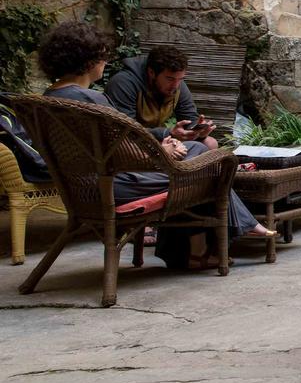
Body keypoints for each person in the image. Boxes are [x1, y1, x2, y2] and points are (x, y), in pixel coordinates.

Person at [37, 21, 273, 269]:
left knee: (198, 151)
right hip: (115, 186)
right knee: (210, 167)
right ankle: (218, 239)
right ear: (88, 61)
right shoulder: (91, 101)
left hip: (83, 187)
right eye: (102, 56)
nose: (105, 62)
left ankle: (199, 250)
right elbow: (122, 152)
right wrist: (164, 150)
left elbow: (111, 147)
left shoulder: (48, 99)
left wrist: (168, 141)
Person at [105, 44, 218, 150]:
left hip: (155, 139)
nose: (176, 85)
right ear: (151, 72)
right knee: (174, 149)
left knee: (210, 143)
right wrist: (168, 134)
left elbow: (189, 117)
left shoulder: (177, 85)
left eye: (180, 79)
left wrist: (197, 131)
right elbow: (126, 131)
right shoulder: (123, 83)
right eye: (170, 79)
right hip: (127, 143)